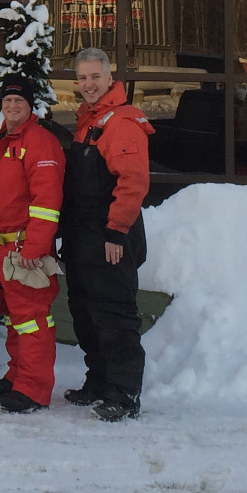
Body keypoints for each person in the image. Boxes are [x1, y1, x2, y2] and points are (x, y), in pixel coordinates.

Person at [59, 47, 154, 422]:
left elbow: (133, 181)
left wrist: (116, 233)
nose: (88, 84)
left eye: (95, 77)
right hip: (84, 238)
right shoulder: (88, 121)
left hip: (111, 238)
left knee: (115, 316)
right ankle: (98, 381)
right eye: (82, 78)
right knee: (85, 313)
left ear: (110, 78)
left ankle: (124, 392)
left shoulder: (122, 122)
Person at [0, 75, 66, 414]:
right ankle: (18, 376)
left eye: (18, 101)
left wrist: (34, 249)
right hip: (0, 249)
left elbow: (47, 201)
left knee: (32, 319)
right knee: (14, 320)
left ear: (30, 105)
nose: (12, 106)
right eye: (7, 101)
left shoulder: (39, 142)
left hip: (23, 250)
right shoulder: (3, 141)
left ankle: (34, 390)